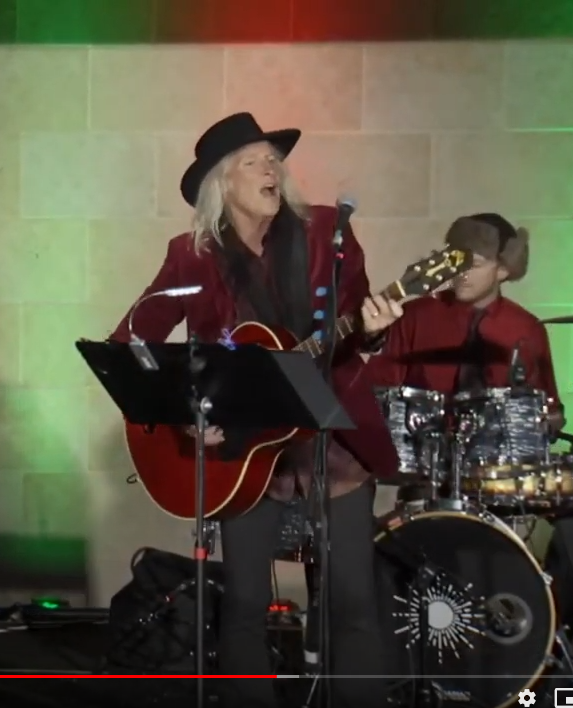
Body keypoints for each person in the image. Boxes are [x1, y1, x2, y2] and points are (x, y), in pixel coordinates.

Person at [110, 112, 404, 708]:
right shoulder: (191, 257)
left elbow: (356, 327)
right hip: (243, 461)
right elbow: (132, 344)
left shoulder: (326, 233)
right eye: (254, 161)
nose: (271, 168)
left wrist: (373, 331)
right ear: (222, 182)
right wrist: (186, 412)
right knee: (244, 603)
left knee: (352, 601)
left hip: (330, 448)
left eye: (274, 159)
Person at [364, 214, 573, 620]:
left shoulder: (526, 328)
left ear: (504, 269)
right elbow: (379, 391)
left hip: (497, 473)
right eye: (454, 259)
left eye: (474, 262)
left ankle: (556, 619)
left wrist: (545, 424)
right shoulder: (417, 316)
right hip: (430, 471)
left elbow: (550, 412)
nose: (460, 271)